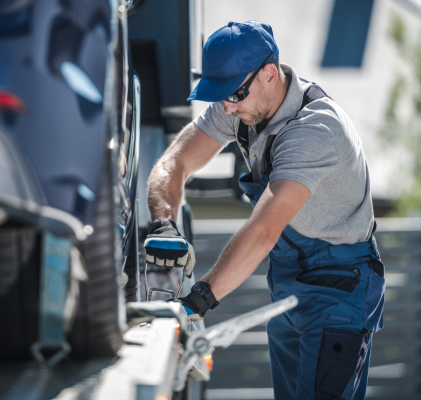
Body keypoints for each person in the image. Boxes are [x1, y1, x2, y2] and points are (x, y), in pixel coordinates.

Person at [143, 20, 386, 400]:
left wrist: (196, 303)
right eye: (219, 95)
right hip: (289, 280)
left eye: (234, 94)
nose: (226, 105)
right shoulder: (241, 102)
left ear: (270, 75)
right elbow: (172, 165)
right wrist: (164, 225)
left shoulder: (315, 131)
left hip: (340, 288)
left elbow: (264, 232)